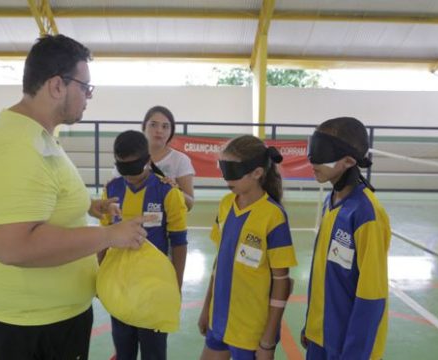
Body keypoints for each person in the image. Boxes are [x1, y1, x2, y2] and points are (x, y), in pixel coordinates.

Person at [0, 34, 152, 360]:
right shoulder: (15, 147)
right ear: (56, 86)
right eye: (85, 87)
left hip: (49, 320)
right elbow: (13, 246)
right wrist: (108, 235)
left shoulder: (38, 138)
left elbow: (41, 197)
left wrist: (87, 206)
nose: (88, 96)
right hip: (30, 327)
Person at [198, 135, 297, 360]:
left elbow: (281, 283)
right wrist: (207, 308)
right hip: (219, 321)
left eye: (232, 170)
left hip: (250, 331)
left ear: (257, 173)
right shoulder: (225, 205)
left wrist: (268, 341)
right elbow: (220, 262)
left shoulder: (273, 217)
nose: (225, 177)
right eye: (223, 168)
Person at [301, 117, 391, 360]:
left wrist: (355, 353)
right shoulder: (331, 203)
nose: (312, 160)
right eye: (312, 149)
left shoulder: (366, 214)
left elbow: (372, 295)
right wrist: (311, 324)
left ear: (349, 160)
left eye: (321, 152)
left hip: (349, 347)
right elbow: (323, 272)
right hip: (320, 337)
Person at [99, 129, 188, 360]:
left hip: (154, 290)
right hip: (121, 286)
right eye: (122, 168)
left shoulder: (167, 192)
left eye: (133, 167)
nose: (128, 175)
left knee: (154, 353)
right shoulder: (111, 190)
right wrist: (101, 276)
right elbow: (104, 236)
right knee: (124, 351)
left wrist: (176, 286)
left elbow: (179, 242)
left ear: (148, 160)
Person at [142, 105, 196, 211]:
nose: (159, 130)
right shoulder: (130, 157)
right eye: (153, 125)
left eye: (165, 126)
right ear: (144, 127)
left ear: (171, 131)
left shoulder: (180, 160)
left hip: (169, 226)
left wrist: (174, 190)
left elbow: (189, 205)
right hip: (134, 224)